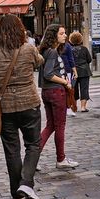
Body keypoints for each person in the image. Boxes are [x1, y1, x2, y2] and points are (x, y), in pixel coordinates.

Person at [0, 14, 45, 199]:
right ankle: (26, 183)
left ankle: (17, 194)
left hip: (4, 108)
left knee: (12, 150)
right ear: (21, 30)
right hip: (29, 103)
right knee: (33, 145)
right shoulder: (28, 49)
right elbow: (39, 61)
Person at [37, 24, 79, 169]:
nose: (65, 36)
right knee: (59, 126)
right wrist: (65, 82)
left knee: (51, 125)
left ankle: (33, 158)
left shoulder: (47, 51)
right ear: (54, 36)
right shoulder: (52, 53)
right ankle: (61, 158)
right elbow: (48, 74)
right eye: (62, 33)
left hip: (47, 92)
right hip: (56, 92)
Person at [69, 32, 92, 112]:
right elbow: (89, 59)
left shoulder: (70, 50)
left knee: (73, 89)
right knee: (84, 89)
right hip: (84, 71)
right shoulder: (84, 49)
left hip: (74, 71)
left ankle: (74, 107)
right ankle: (83, 107)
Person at [60, 38, 77, 116]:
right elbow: (71, 59)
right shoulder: (66, 45)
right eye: (62, 33)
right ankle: (65, 108)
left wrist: (74, 71)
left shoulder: (66, 45)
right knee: (64, 90)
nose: (65, 35)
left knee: (67, 90)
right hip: (61, 70)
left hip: (66, 70)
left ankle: (67, 107)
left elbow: (71, 59)